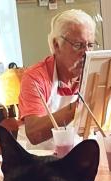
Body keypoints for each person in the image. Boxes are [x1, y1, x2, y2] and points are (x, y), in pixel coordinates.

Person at [17, 9, 97, 149]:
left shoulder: (95, 73)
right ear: (56, 45)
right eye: (78, 45)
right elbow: (35, 134)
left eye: (90, 45)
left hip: (78, 157)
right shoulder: (36, 77)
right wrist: (78, 107)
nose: (86, 53)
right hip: (38, 160)